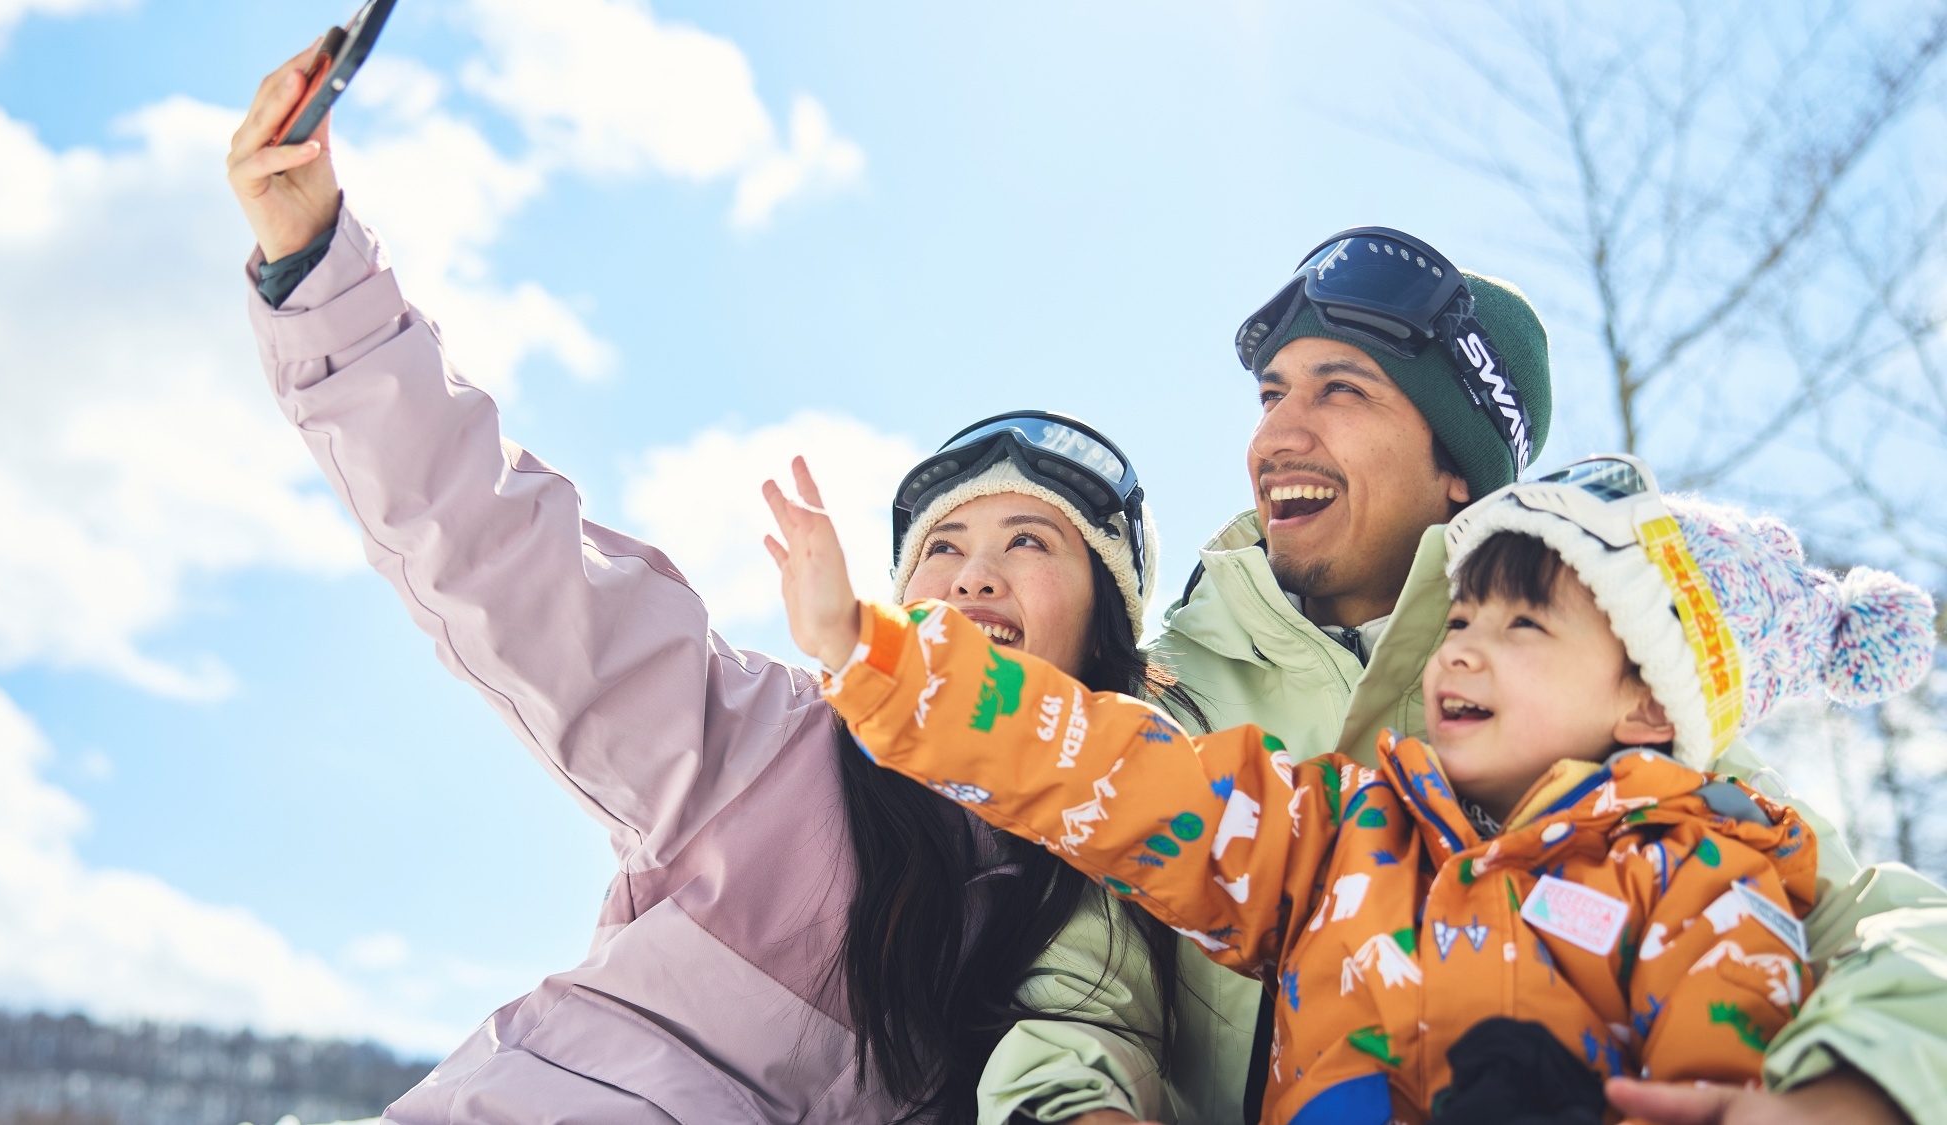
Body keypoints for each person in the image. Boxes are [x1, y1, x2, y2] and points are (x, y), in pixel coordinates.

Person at [225, 46, 1254, 1123]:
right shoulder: (763, 746)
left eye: (1031, 543)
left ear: (1107, 625)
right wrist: (318, 276)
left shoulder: (1102, 904)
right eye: (940, 550)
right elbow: (496, 548)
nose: (972, 576)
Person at [767, 448, 1938, 1124]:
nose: (1461, 650)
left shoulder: (1709, 871)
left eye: (1523, 624)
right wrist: (875, 651)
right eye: (1460, 615)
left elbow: (1714, 1060)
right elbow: (1115, 768)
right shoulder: (1335, 832)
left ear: (1646, 705)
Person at [1130, 225, 1947, 1125]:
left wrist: (1855, 1089)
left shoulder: (1579, 688)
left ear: (1456, 465)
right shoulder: (1168, 684)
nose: (1275, 436)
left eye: (1340, 391)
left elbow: (1883, 923)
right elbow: (1074, 991)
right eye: (1272, 394)